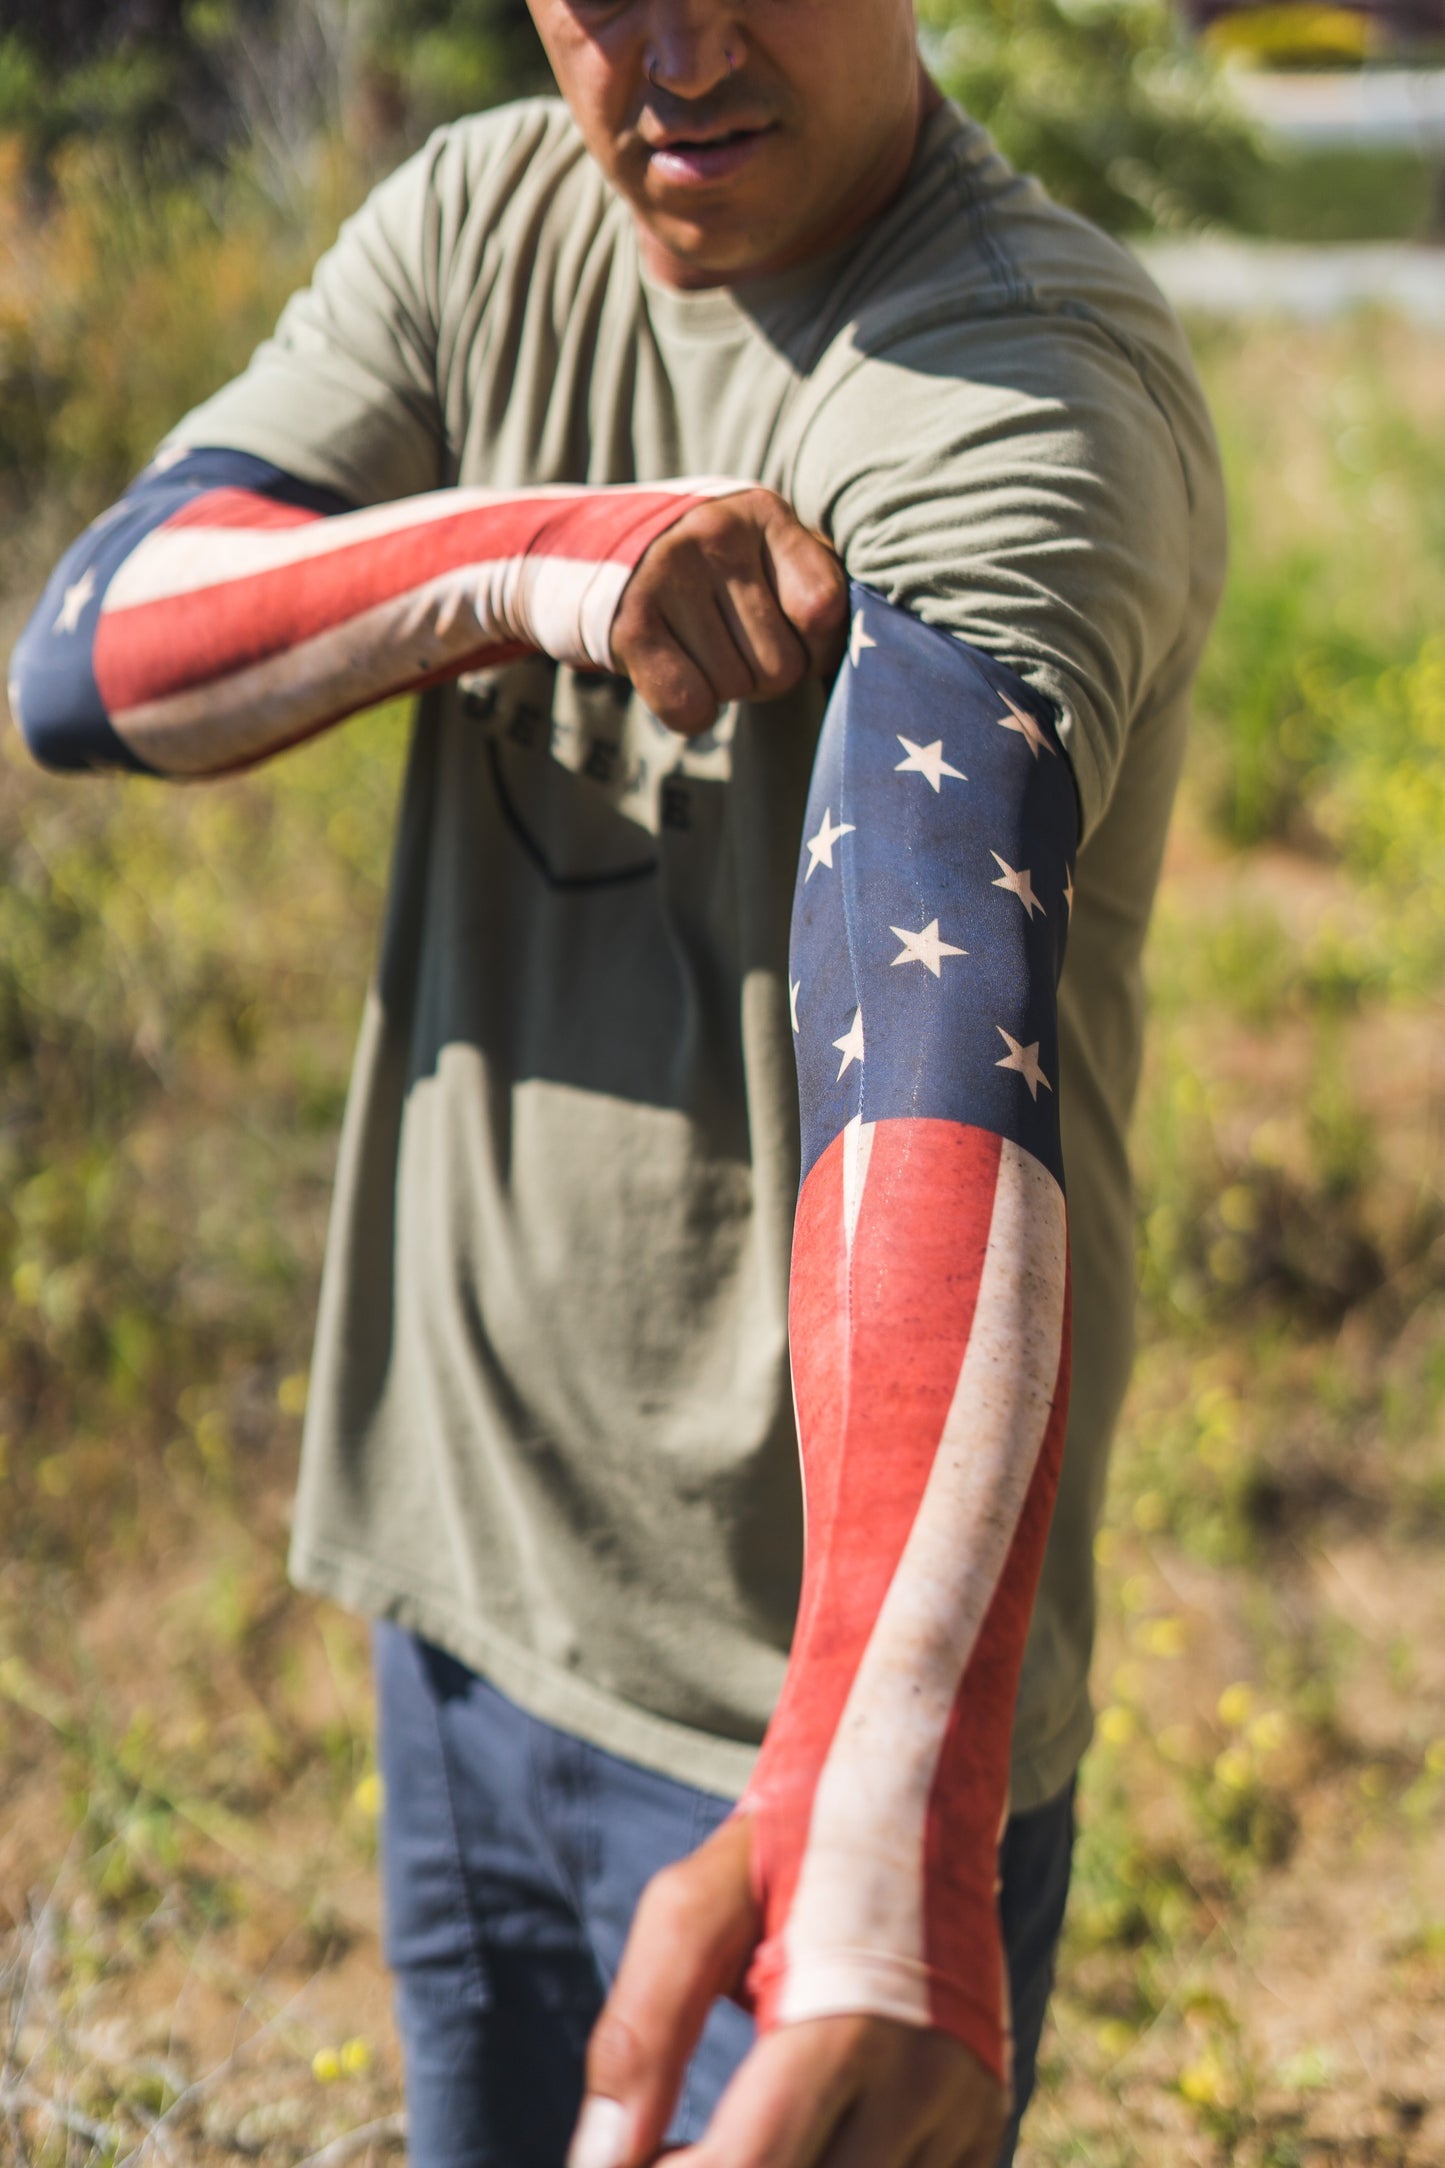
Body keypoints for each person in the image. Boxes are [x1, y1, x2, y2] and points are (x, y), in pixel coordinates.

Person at [8, 3, 1226, 2163]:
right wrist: (534, 562)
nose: (670, 55)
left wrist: (879, 1825)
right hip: (468, 1613)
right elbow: (95, 653)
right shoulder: (487, 216)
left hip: (815, 1719)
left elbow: (933, 1031)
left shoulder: (1013, 369)